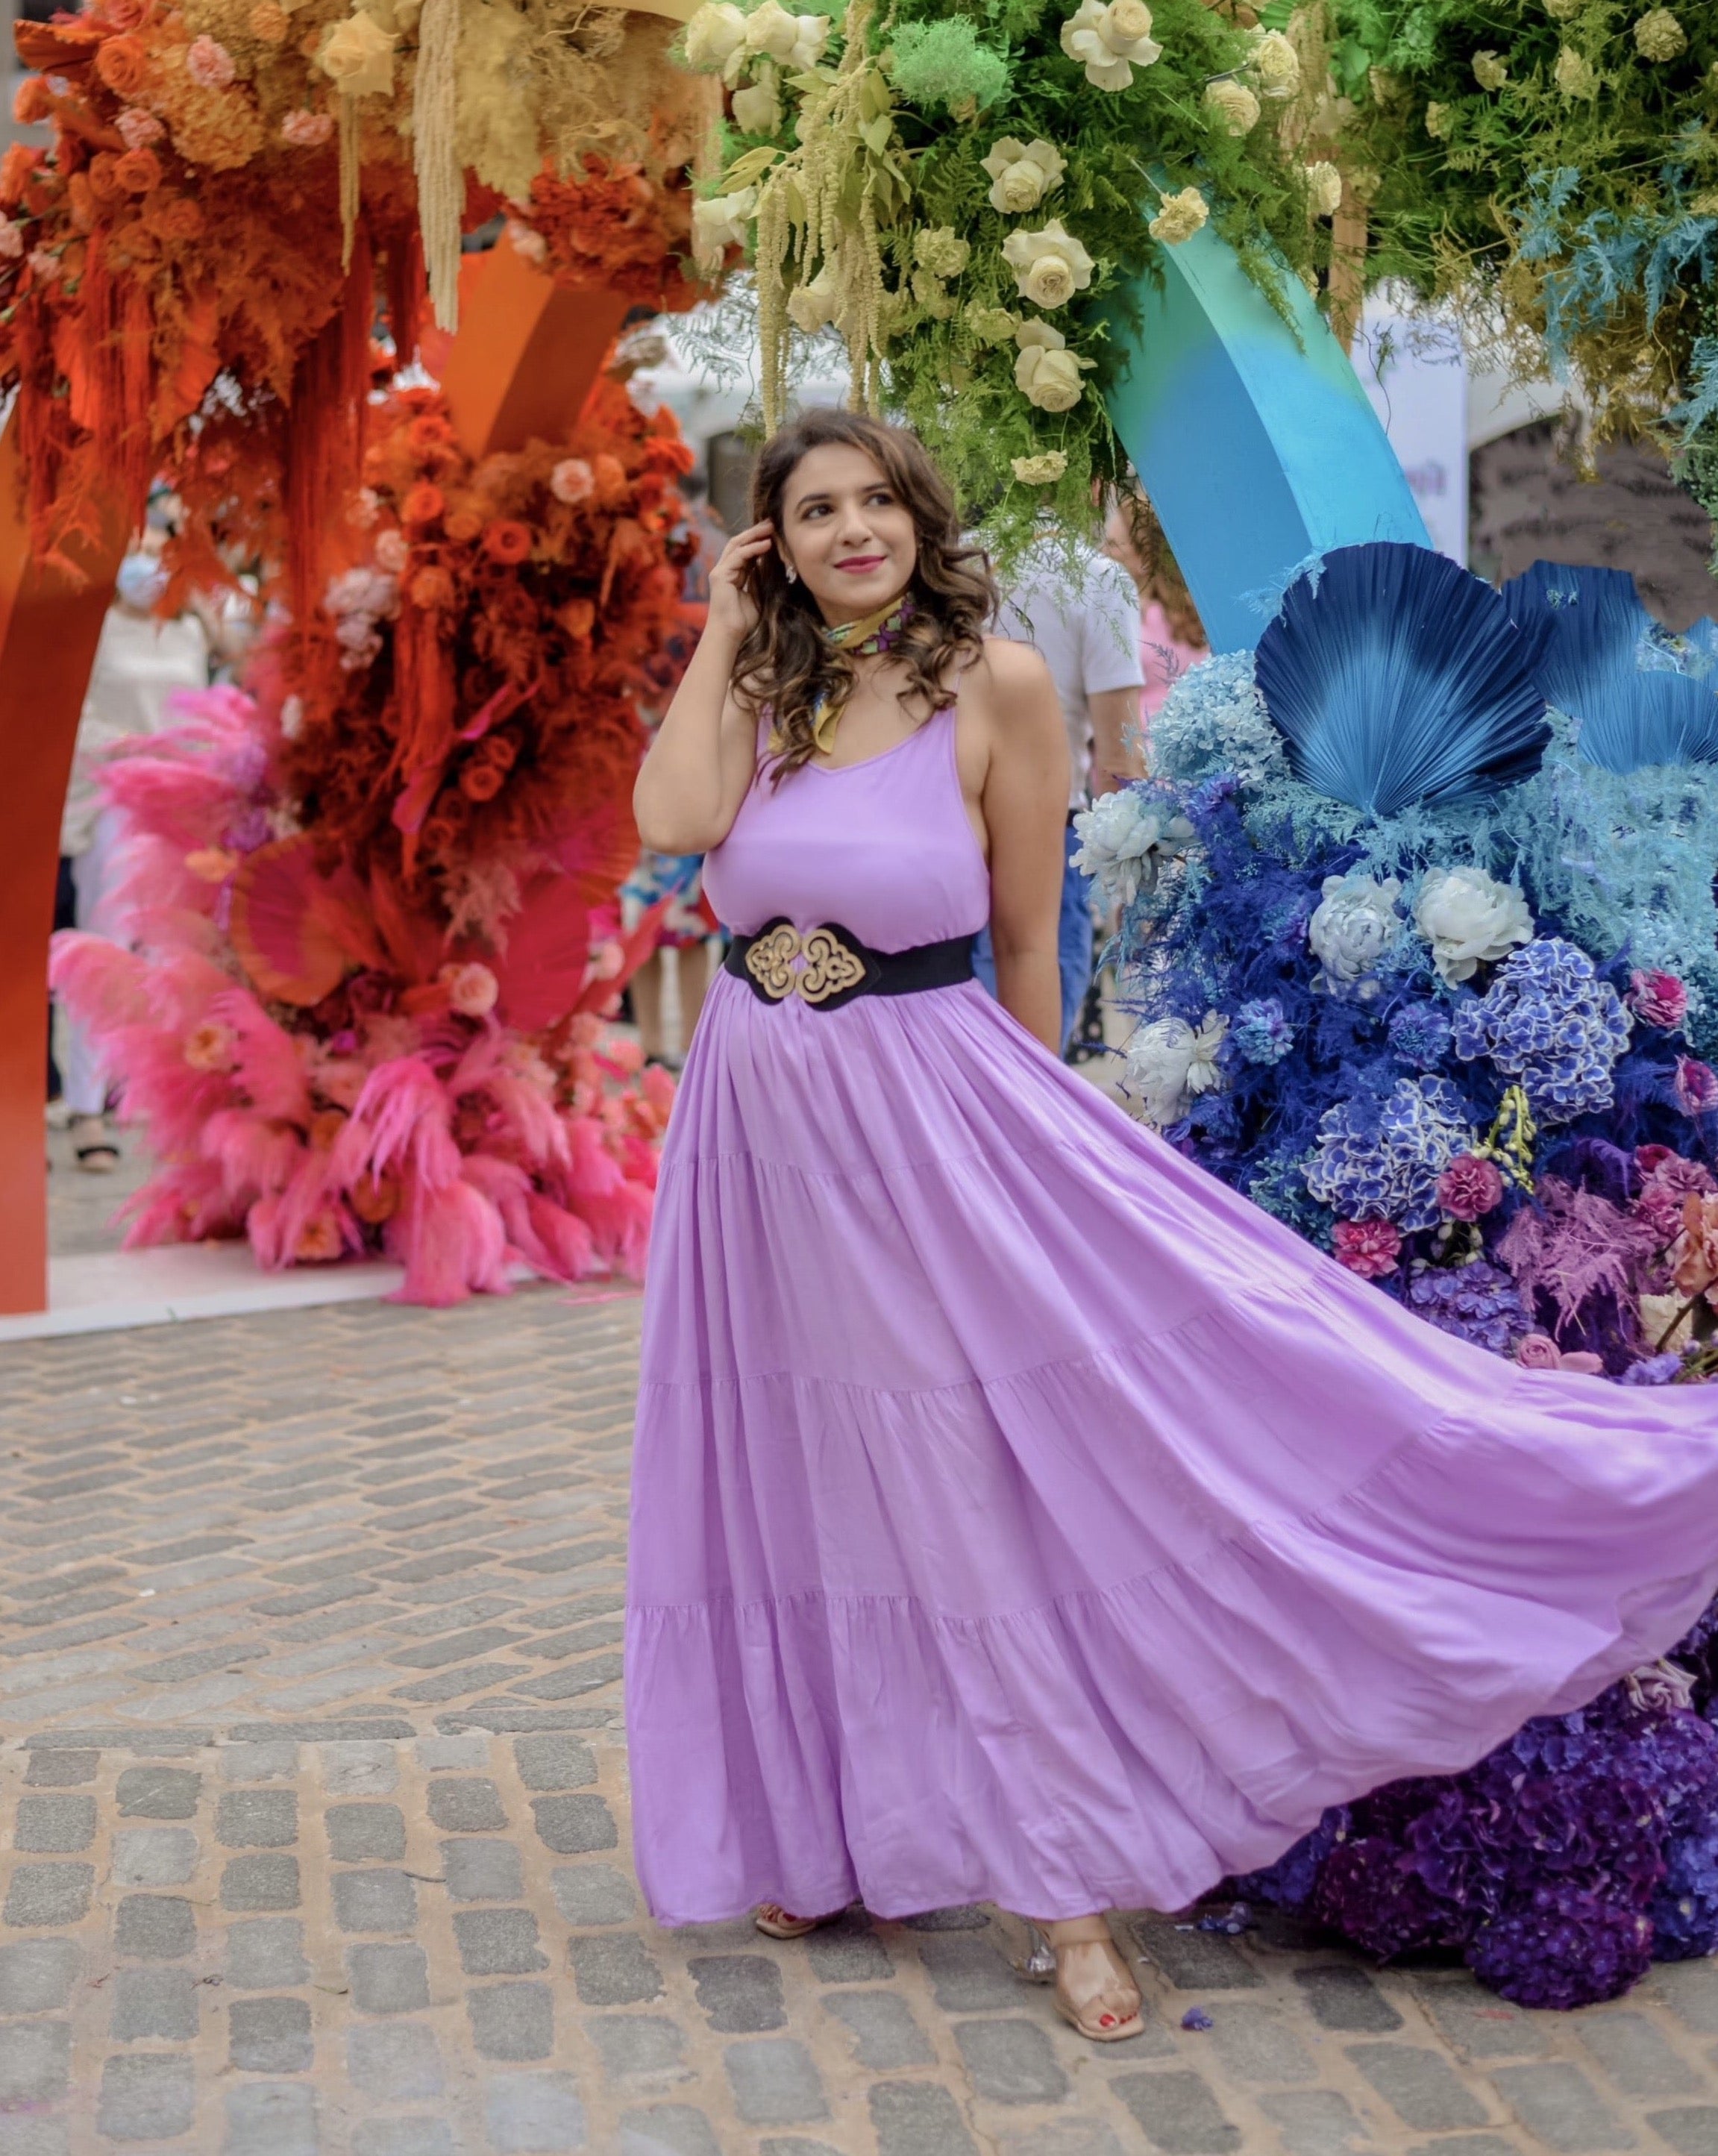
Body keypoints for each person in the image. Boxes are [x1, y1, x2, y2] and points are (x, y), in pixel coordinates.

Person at [626, 407, 1718, 2046]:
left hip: (928, 1110)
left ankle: (1059, 1883)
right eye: (810, 510)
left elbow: (1021, 946)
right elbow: (667, 814)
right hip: (753, 1123)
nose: (850, 529)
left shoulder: (990, 686)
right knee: (790, 1463)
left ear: (919, 516)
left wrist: (1039, 1141)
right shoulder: (764, 690)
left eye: (873, 501)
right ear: (768, 540)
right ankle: (835, 1826)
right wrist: (721, 631)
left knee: (955, 1472)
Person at [53, 548, 208, 1170]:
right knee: (105, 948)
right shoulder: (93, 631)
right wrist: (137, 748)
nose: (154, 571)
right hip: (112, 799)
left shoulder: (191, 630)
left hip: (179, 801)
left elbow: (198, 711)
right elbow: (74, 714)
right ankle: (87, 1107)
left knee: (172, 954)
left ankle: (153, 1094)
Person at [976, 531, 1144, 1054]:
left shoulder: (934, 560)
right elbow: (1117, 761)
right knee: (1029, 1068)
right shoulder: (1095, 578)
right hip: (1044, 836)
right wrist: (1131, 889)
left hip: (939, 833)